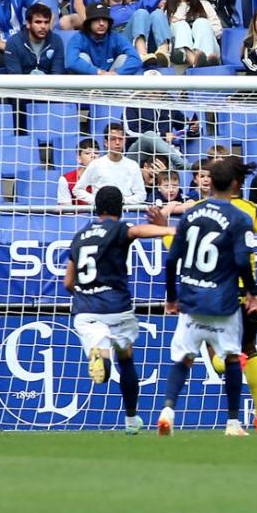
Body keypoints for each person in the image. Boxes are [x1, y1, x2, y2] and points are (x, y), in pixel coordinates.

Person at [158, 158, 257, 437]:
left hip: (191, 300)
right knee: (230, 358)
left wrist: (171, 297)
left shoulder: (190, 214)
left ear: (210, 183)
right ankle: (233, 423)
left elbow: (171, 260)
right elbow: (242, 260)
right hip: (224, 303)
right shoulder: (241, 218)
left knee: (183, 360)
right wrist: (252, 293)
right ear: (237, 184)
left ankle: (167, 410)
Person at [64, 185, 173, 435]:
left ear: (96, 207)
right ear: (120, 208)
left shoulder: (79, 236)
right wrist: (169, 228)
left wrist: (85, 295)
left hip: (85, 308)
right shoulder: (118, 228)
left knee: (101, 346)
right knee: (126, 358)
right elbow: (137, 231)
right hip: (116, 307)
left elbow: (68, 283)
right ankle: (131, 419)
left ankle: (101, 355)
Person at [73, 122, 146, 205]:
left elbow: (141, 195)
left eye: (121, 139)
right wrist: (97, 201)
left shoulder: (132, 165)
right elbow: (77, 190)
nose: (117, 143)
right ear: (105, 143)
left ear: (125, 141)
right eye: (113, 139)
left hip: (126, 212)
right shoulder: (95, 164)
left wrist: (123, 201)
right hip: (100, 212)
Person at [165, 0, 222, 69]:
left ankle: (203, 59)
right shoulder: (168, 8)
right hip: (180, 52)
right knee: (180, 25)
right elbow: (166, 35)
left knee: (201, 22)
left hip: (209, 47)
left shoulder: (205, 4)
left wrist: (199, 32)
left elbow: (218, 31)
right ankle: (197, 61)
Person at [66, 4, 143, 76]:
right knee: (82, 56)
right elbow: (71, 61)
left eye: (105, 20)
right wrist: (97, 72)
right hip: (89, 80)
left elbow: (136, 59)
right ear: (89, 23)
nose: (102, 23)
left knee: (124, 57)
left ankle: (115, 90)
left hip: (112, 80)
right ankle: (89, 90)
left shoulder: (116, 37)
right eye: (96, 20)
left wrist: (117, 73)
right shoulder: (79, 37)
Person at [3, 1, 65, 74]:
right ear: (28, 24)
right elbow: (15, 77)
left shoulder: (56, 41)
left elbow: (57, 74)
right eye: (38, 22)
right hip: (22, 84)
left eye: (46, 22)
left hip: (49, 84)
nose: (43, 26)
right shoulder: (13, 43)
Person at [58, 137, 99, 205]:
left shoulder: (105, 176)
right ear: (79, 158)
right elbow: (66, 212)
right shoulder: (66, 179)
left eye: (96, 153)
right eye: (87, 153)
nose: (93, 156)